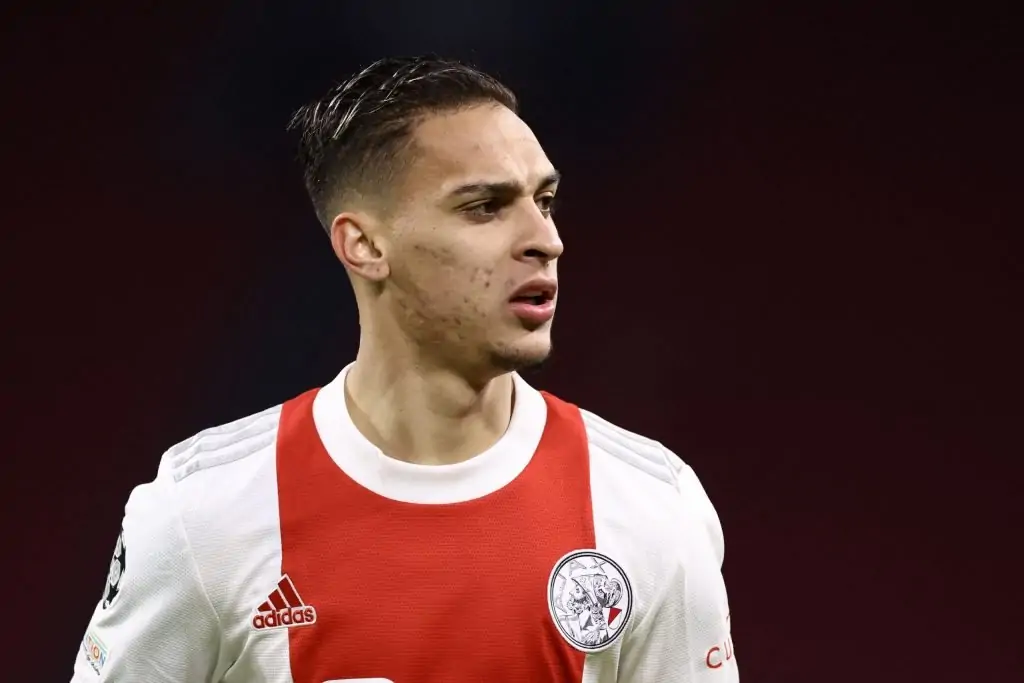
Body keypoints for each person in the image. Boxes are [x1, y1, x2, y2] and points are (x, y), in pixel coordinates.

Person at [71, 55, 738, 682]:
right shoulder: (204, 513)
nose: (546, 239)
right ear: (364, 244)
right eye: (485, 206)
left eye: (545, 200)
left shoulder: (653, 508)